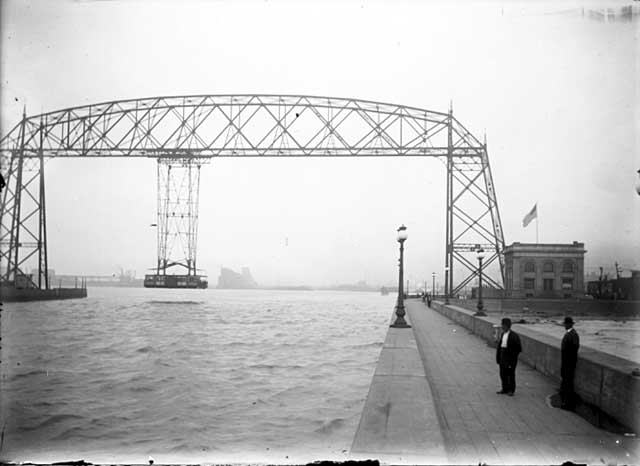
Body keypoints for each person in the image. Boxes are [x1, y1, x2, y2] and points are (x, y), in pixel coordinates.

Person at [496, 317, 522, 396]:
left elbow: (518, 349)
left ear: (507, 326)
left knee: (510, 374)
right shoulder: (503, 334)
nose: (502, 327)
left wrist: (512, 358)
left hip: (510, 359)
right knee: (503, 374)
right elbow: (500, 346)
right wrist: (498, 357)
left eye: (503, 325)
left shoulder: (514, 336)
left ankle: (511, 390)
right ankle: (505, 388)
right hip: (502, 357)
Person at [560, 316, 580, 410]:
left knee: (568, 383)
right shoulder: (571, 334)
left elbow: (574, 349)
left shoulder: (573, 334)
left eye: (565, 324)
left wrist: (568, 361)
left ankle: (569, 404)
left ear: (569, 324)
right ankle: (566, 402)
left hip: (569, 363)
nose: (564, 325)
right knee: (567, 383)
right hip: (567, 362)